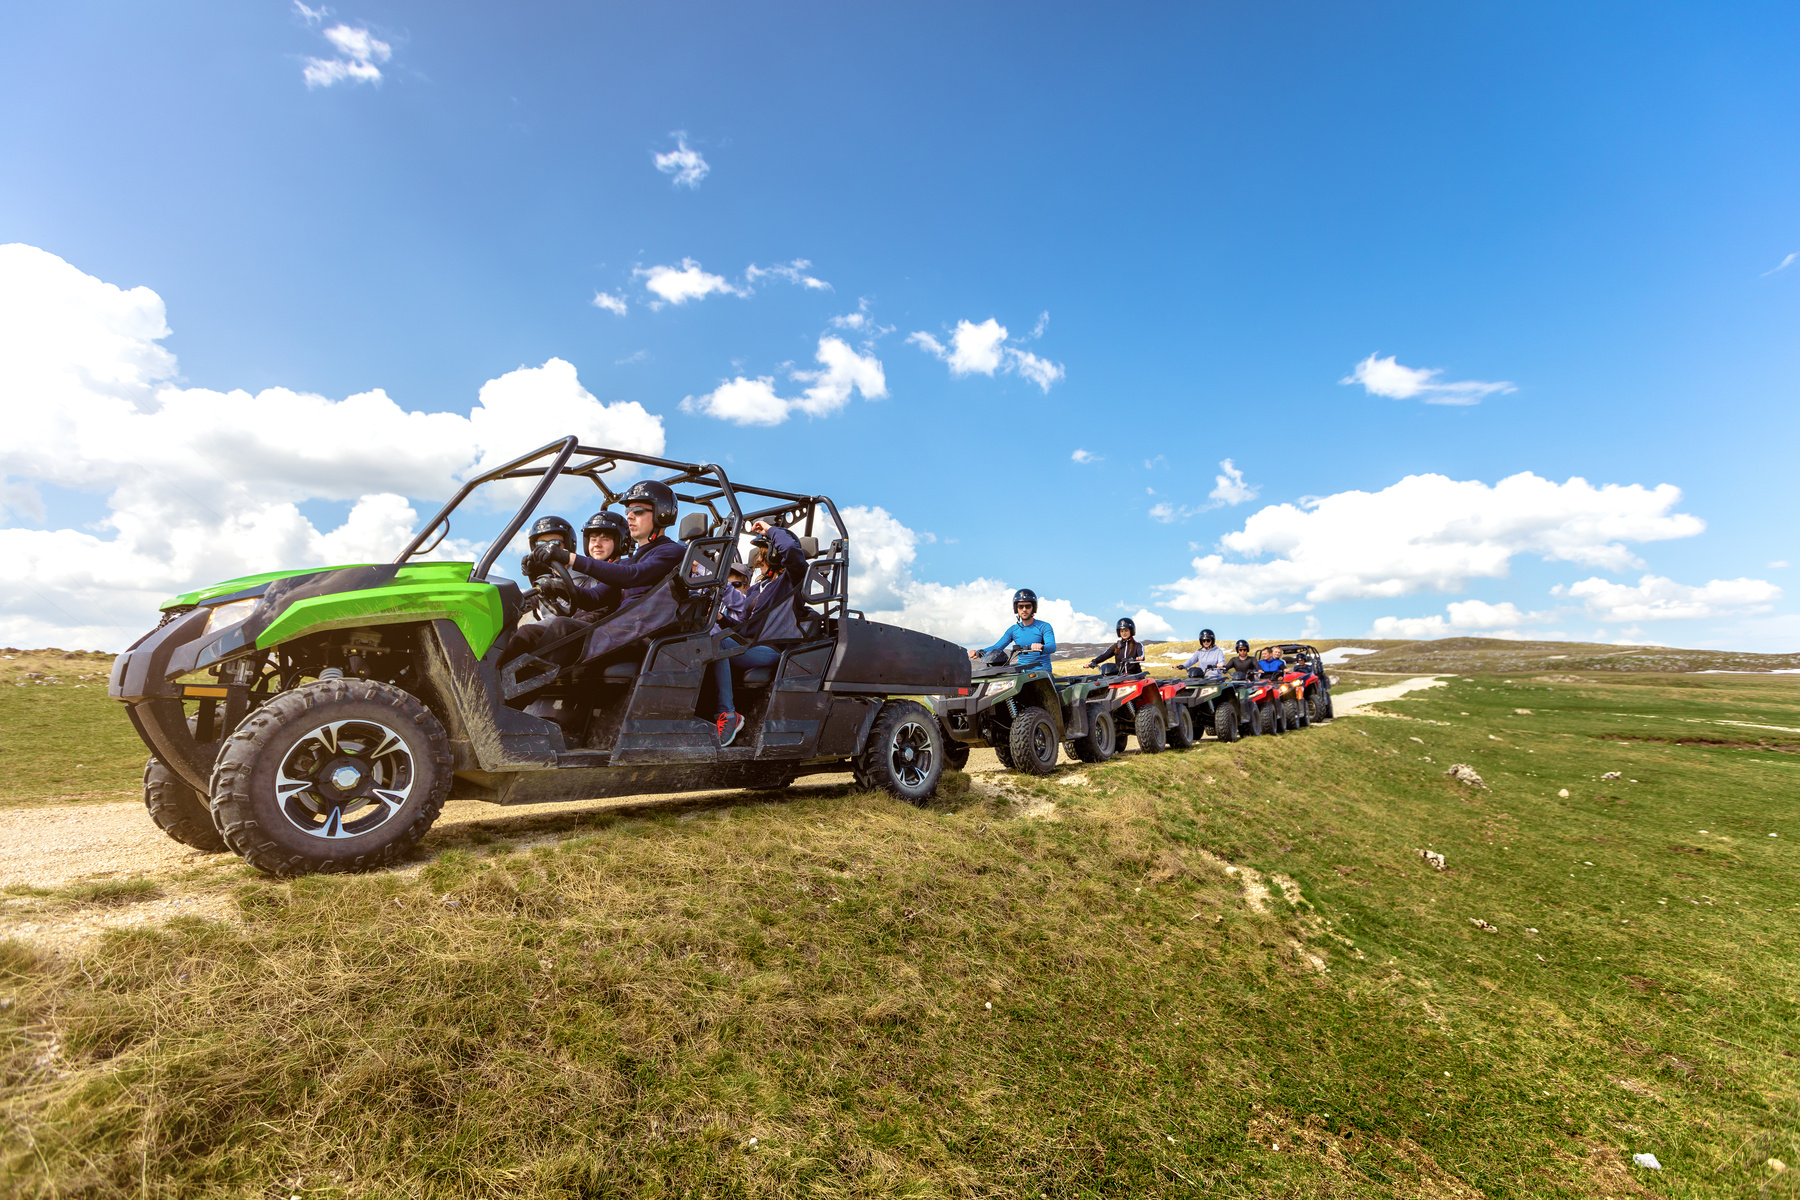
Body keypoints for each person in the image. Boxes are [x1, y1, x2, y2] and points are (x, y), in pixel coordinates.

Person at [504, 481, 686, 667]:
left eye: (638, 510)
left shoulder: (671, 551)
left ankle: (514, 693)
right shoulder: (628, 561)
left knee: (562, 627)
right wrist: (555, 587)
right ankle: (489, 688)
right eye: (628, 511)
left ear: (662, 514)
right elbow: (595, 597)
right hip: (619, 631)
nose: (629, 516)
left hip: (642, 635)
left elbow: (633, 576)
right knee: (529, 632)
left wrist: (570, 558)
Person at [706, 520, 809, 746]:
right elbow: (743, 624)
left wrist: (771, 530)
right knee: (705, 641)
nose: (758, 559)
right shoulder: (755, 589)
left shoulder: (791, 582)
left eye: (763, 553)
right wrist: (722, 620)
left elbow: (792, 551)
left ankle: (729, 715)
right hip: (748, 644)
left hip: (772, 650)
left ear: (775, 556)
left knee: (716, 644)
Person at [968, 589, 1057, 671]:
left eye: (1028, 606)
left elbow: (1052, 647)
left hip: (1042, 673)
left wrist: (1041, 647)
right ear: (1016, 609)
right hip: (1022, 674)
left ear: (1033, 607)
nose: (1024, 609)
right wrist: (980, 651)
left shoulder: (1044, 626)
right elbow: (997, 647)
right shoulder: (1013, 630)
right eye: (1021, 607)